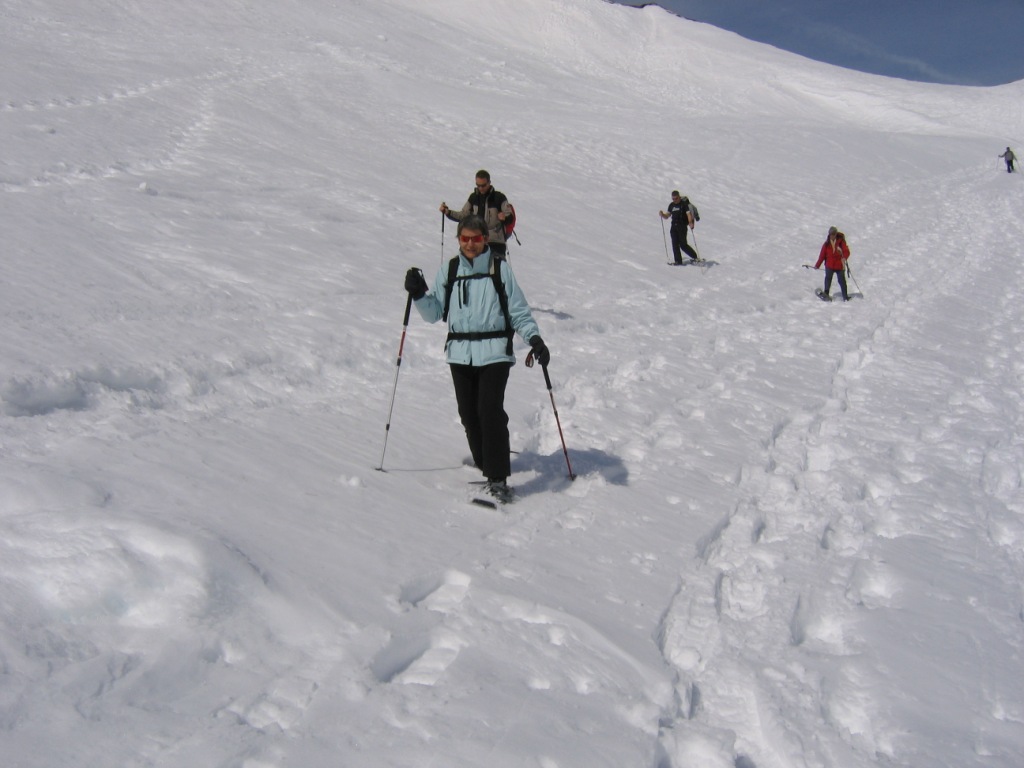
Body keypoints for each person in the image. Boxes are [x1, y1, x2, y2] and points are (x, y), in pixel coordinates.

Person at [403, 215, 549, 503]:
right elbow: (434, 313)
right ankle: (485, 462)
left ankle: (498, 479)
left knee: (489, 410)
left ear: (485, 239)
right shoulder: (450, 270)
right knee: (469, 414)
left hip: (495, 352)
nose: (471, 244)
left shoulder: (500, 269)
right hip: (460, 354)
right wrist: (419, 293)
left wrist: (534, 339)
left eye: (476, 238)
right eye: (465, 238)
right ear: (459, 239)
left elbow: (518, 311)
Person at [439, 170, 514, 258]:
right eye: (478, 185)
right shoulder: (473, 197)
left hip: (495, 242)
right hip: (476, 241)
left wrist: (505, 218)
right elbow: (463, 215)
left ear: (489, 182)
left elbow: (510, 216)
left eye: (483, 185)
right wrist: (448, 212)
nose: (481, 188)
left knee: (496, 265)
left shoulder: (499, 197)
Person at [659, 190, 698, 264]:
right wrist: (662, 215)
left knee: (683, 245)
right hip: (674, 227)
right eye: (673, 199)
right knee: (675, 244)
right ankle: (678, 261)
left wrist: (690, 222)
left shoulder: (683, 204)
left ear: (679, 197)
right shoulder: (671, 205)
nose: (674, 200)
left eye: (676, 198)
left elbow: (688, 214)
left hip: (682, 226)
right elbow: (667, 215)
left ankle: (694, 256)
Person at [814, 226, 851, 301]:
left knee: (842, 281)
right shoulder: (826, 244)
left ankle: (845, 296)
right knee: (828, 279)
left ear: (836, 234)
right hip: (829, 265)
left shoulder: (841, 242)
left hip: (839, 266)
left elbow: (846, 251)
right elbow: (822, 256)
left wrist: (844, 257)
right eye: (831, 234)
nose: (832, 236)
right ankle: (826, 294)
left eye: (833, 234)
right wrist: (817, 265)